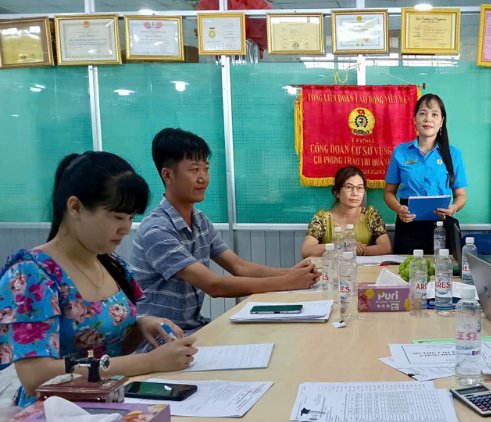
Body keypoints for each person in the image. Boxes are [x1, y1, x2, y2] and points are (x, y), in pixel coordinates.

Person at [0, 152, 197, 408]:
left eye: (131, 217)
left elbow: (109, 347)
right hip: (58, 410)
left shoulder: (110, 264)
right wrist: (149, 362)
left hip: (111, 401)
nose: (126, 228)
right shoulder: (31, 275)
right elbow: (36, 376)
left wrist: (140, 327)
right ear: (75, 207)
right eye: (117, 217)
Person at [130, 128, 319, 331]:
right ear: (168, 175)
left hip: (192, 328)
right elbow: (214, 286)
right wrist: (286, 282)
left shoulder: (199, 220)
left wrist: (292, 273)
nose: (203, 178)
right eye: (194, 170)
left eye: (206, 169)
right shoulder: (157, 230)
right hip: (160, 338)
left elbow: (239, 267)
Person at [383, 93, 467, 254]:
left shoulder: (453, 154)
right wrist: (399, 209)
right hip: (408, 223)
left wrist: (453, 208)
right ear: (414, 119)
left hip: (442, 225)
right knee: (407, 273)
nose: (428, 119)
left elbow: (461, 195)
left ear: (442, 121)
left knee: (443, 273)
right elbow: (388, 192)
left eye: (434, 114)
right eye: (422, 113)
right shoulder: (401, 152)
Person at [301, 166, 391, 258]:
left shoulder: (370, 216)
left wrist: (359, 250)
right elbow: (307, 250)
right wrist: (342, 247)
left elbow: (386, 248)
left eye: (360, 188)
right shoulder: (323, 218)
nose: (355, 193)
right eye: (349, 187)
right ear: (337, 192)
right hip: (331, 269)